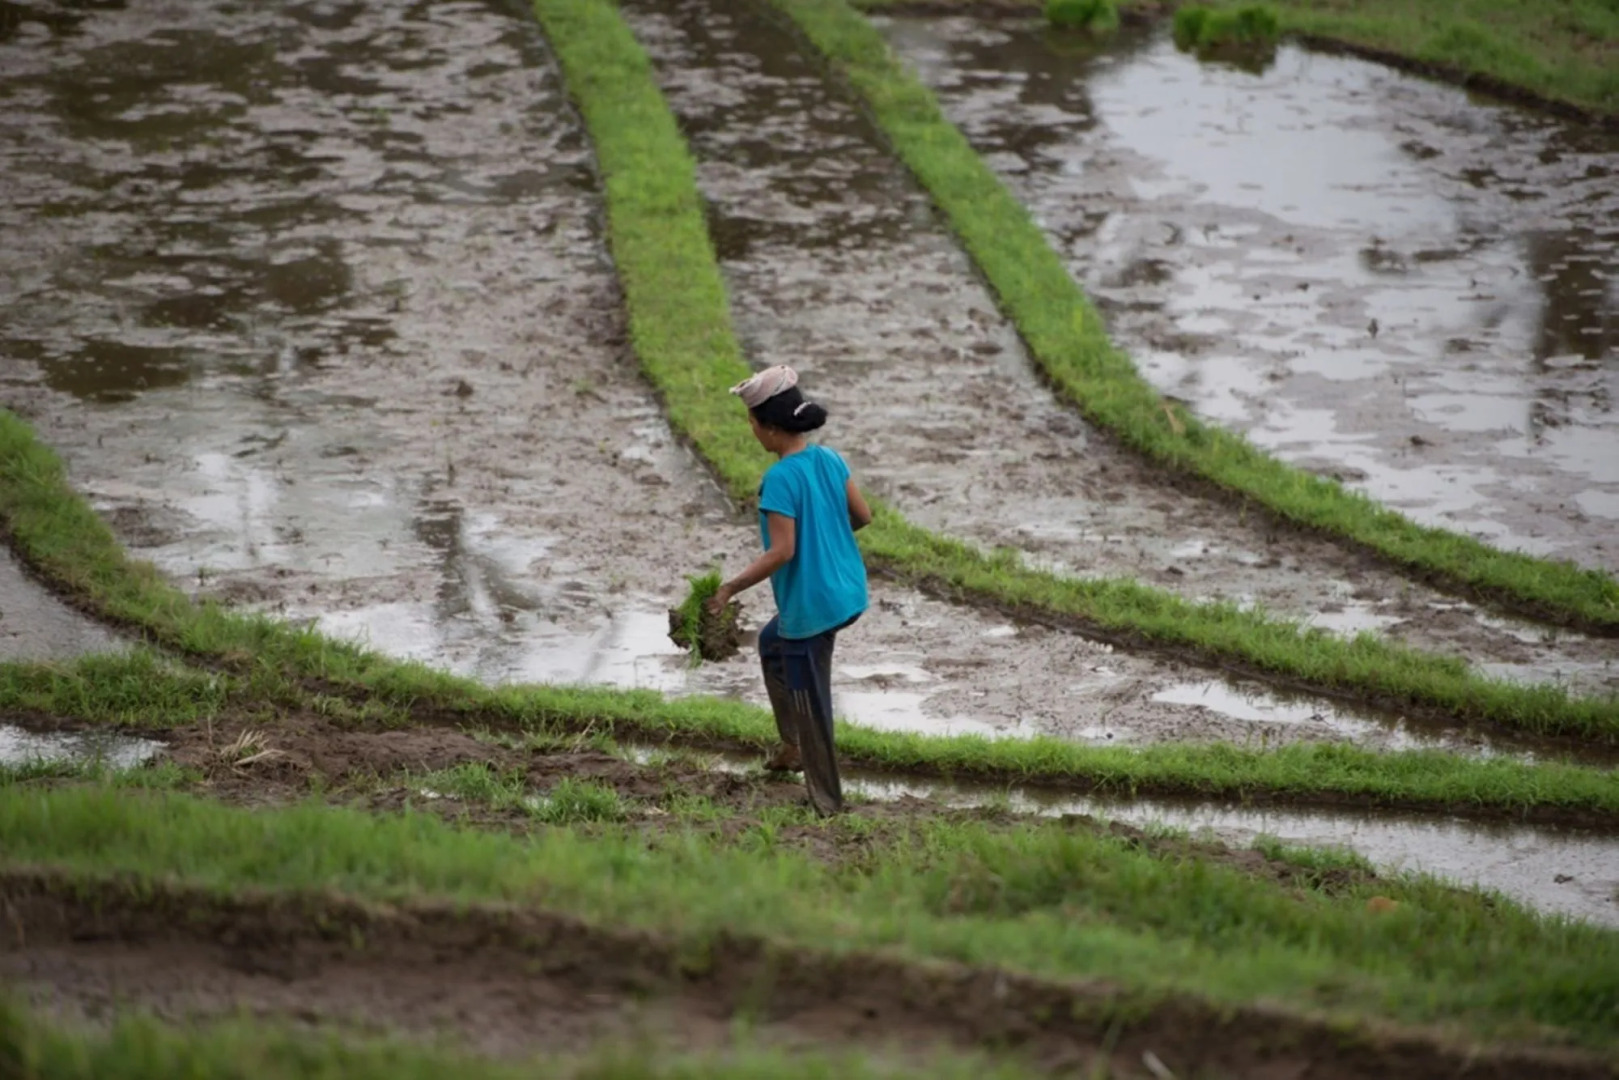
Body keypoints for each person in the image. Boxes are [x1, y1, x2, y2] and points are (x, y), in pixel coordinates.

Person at [708, 365, 872, 816]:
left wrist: (728, 589)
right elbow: (863, 516)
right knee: (771, 644)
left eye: (754, 422)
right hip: (846, 593)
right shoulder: (829, 458)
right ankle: (792, 746)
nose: (752, 429)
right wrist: (829, 533)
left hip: (811, 606)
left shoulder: (779, 479)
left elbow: (782, 551)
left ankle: (827, 803)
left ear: (772, 428)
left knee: (810, 697)